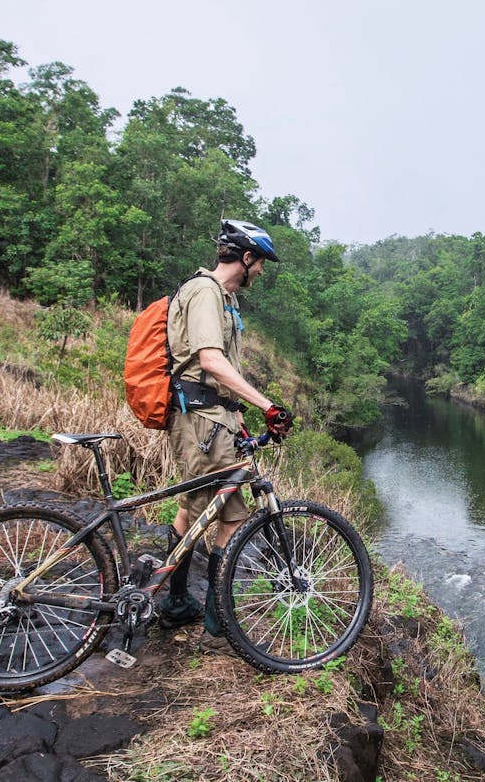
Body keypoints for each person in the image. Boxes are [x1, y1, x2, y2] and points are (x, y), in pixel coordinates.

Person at [157, 219, 294, 653]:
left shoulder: (224, 298)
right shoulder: (205, 292)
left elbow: (219, 374)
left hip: (214, 418)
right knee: (228, 515)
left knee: (194, 508)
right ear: (247, 256)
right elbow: (211, 362)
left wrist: (239, 415)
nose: (261, 273)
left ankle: (176, 601)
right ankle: (217, 621)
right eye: (261, 264)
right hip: (201, 419)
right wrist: (266, 405)